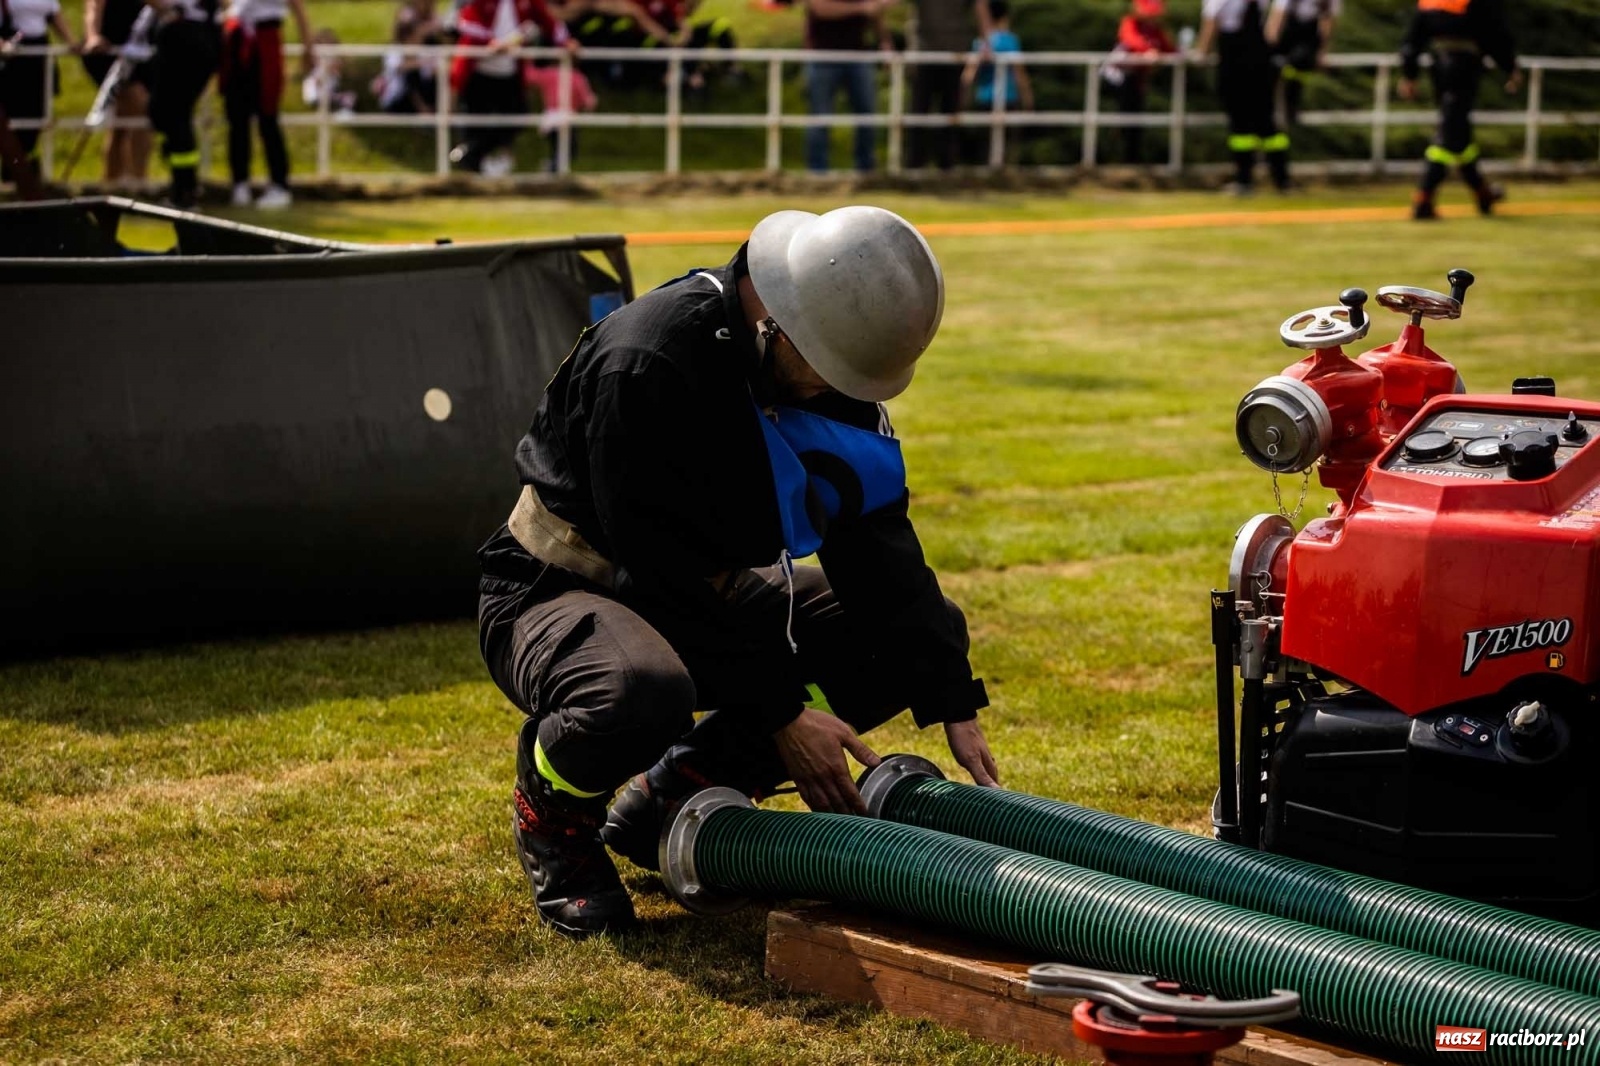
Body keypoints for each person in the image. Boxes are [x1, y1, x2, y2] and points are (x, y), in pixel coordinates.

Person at [477, 205, 1000, 937]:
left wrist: (949, 694)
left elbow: (873, 535)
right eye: (828, 372)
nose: (834, 391)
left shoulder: (815, 362)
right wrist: (782, 714)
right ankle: (554, 812)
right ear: (777, 327)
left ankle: (677, 790)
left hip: (701, 590)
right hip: (562, 585)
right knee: (640, 691)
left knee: (900, 645)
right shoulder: (649, 361)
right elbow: (659, 569)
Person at [1398, 0, 1519, 221]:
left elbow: (1413, 39)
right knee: (1450, 134)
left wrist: (1409, 73)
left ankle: (1482, 193)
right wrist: (1510, 66)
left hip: (1439, 68)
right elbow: (1495, 31)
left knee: (1458, 133)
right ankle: (1424, 198)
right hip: (1465, 67)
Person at [449, 0, 572, 174]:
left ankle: (470, 154)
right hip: (478, 71)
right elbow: (466, 22)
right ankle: (470, 165)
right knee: (476, 122)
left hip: (510, 73)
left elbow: (549, 21)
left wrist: (566, 42)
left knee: (517, 117)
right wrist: (492, 42)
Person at [220, 0, 316, 208]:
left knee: (268, 117)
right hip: (238, 36)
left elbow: (298, 8)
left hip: (265, 40)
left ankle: (279, 185)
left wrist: (307, 46)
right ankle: (240, 182)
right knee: (237, 118)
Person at [1193, 0, 1290, 194]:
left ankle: (1245, 179)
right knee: (1266, 121)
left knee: (1240, 122)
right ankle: (1282, 179)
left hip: (1234, 53)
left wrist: (1202, 52)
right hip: (1260, 53)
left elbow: (1212, 19)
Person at [145, 0, 222, 208]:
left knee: (171, 116)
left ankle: (184, 189)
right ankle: (185, 186)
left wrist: (165, 11)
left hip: (182, 36)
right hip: (207, 35)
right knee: (176, 116)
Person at [802, 0, 891, 173]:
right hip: (823, 56)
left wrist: (885, 42)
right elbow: (819, 7)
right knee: (820, 116)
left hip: (858, 55)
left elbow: (875, 10)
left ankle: (866, 169)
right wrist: (861, 8)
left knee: (867, 114)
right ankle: (817, 172)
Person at [0, 0, 78, 182]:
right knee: (12, 114)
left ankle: (21, 169)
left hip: (38, 54)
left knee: (36, 112)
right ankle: (14, 169)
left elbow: (53, 15)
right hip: (9, 58)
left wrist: (72, 43)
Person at [904, 0, 981, 171]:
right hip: (925, 53)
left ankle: (944, 164)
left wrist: (986, 42)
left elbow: (979, 6)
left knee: (948, 112)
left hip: (954, 53)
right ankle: (916, 164)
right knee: (920, 111)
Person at [81, 0, 152, 184]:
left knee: (122, 121)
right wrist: (92, 35)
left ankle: (112, 180)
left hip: (137, 53)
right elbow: (93, 6)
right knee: (141, 111)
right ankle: (138, 181)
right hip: (107, 51)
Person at [1103, 0, 1174, 165]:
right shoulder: (1129, 23)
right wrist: (1148, 51)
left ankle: (1132, 158)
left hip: (1137, 80)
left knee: (1135, 118)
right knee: (1124, 116)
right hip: (1118, 77)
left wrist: (1183, 55)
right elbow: (1130, 39)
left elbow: (1168, 48)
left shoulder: (1155, 30)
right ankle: (1119, 156)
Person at [961, 0, 1031, 166]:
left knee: (985, 145)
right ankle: (1004, 171)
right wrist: (1027, 96)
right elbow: (1019, 72)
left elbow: (968, 76)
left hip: (984, 98)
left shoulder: (981, 42)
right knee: (1007, 144)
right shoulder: (1010, 40)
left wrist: (964, 97)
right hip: (1008, 97)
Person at [1265, 0, 1336, 128]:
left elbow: (1327, 20)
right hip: (1288, 28)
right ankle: (1268, 109)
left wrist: (1322, 51)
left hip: (1308, 32)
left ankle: (1290, 109)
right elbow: (1278, 16)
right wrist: (1269, 47)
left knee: (1299, 67)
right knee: (1273, 69)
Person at [524, 57, 594, 170]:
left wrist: (527, 60)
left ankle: (552, 167)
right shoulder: (577, 77)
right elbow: (587, 102)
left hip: (551, 119)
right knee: (568, 150)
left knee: (558, 148)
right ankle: (553, 168)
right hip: (568, 118)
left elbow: (529, 76)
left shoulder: (548, 74)